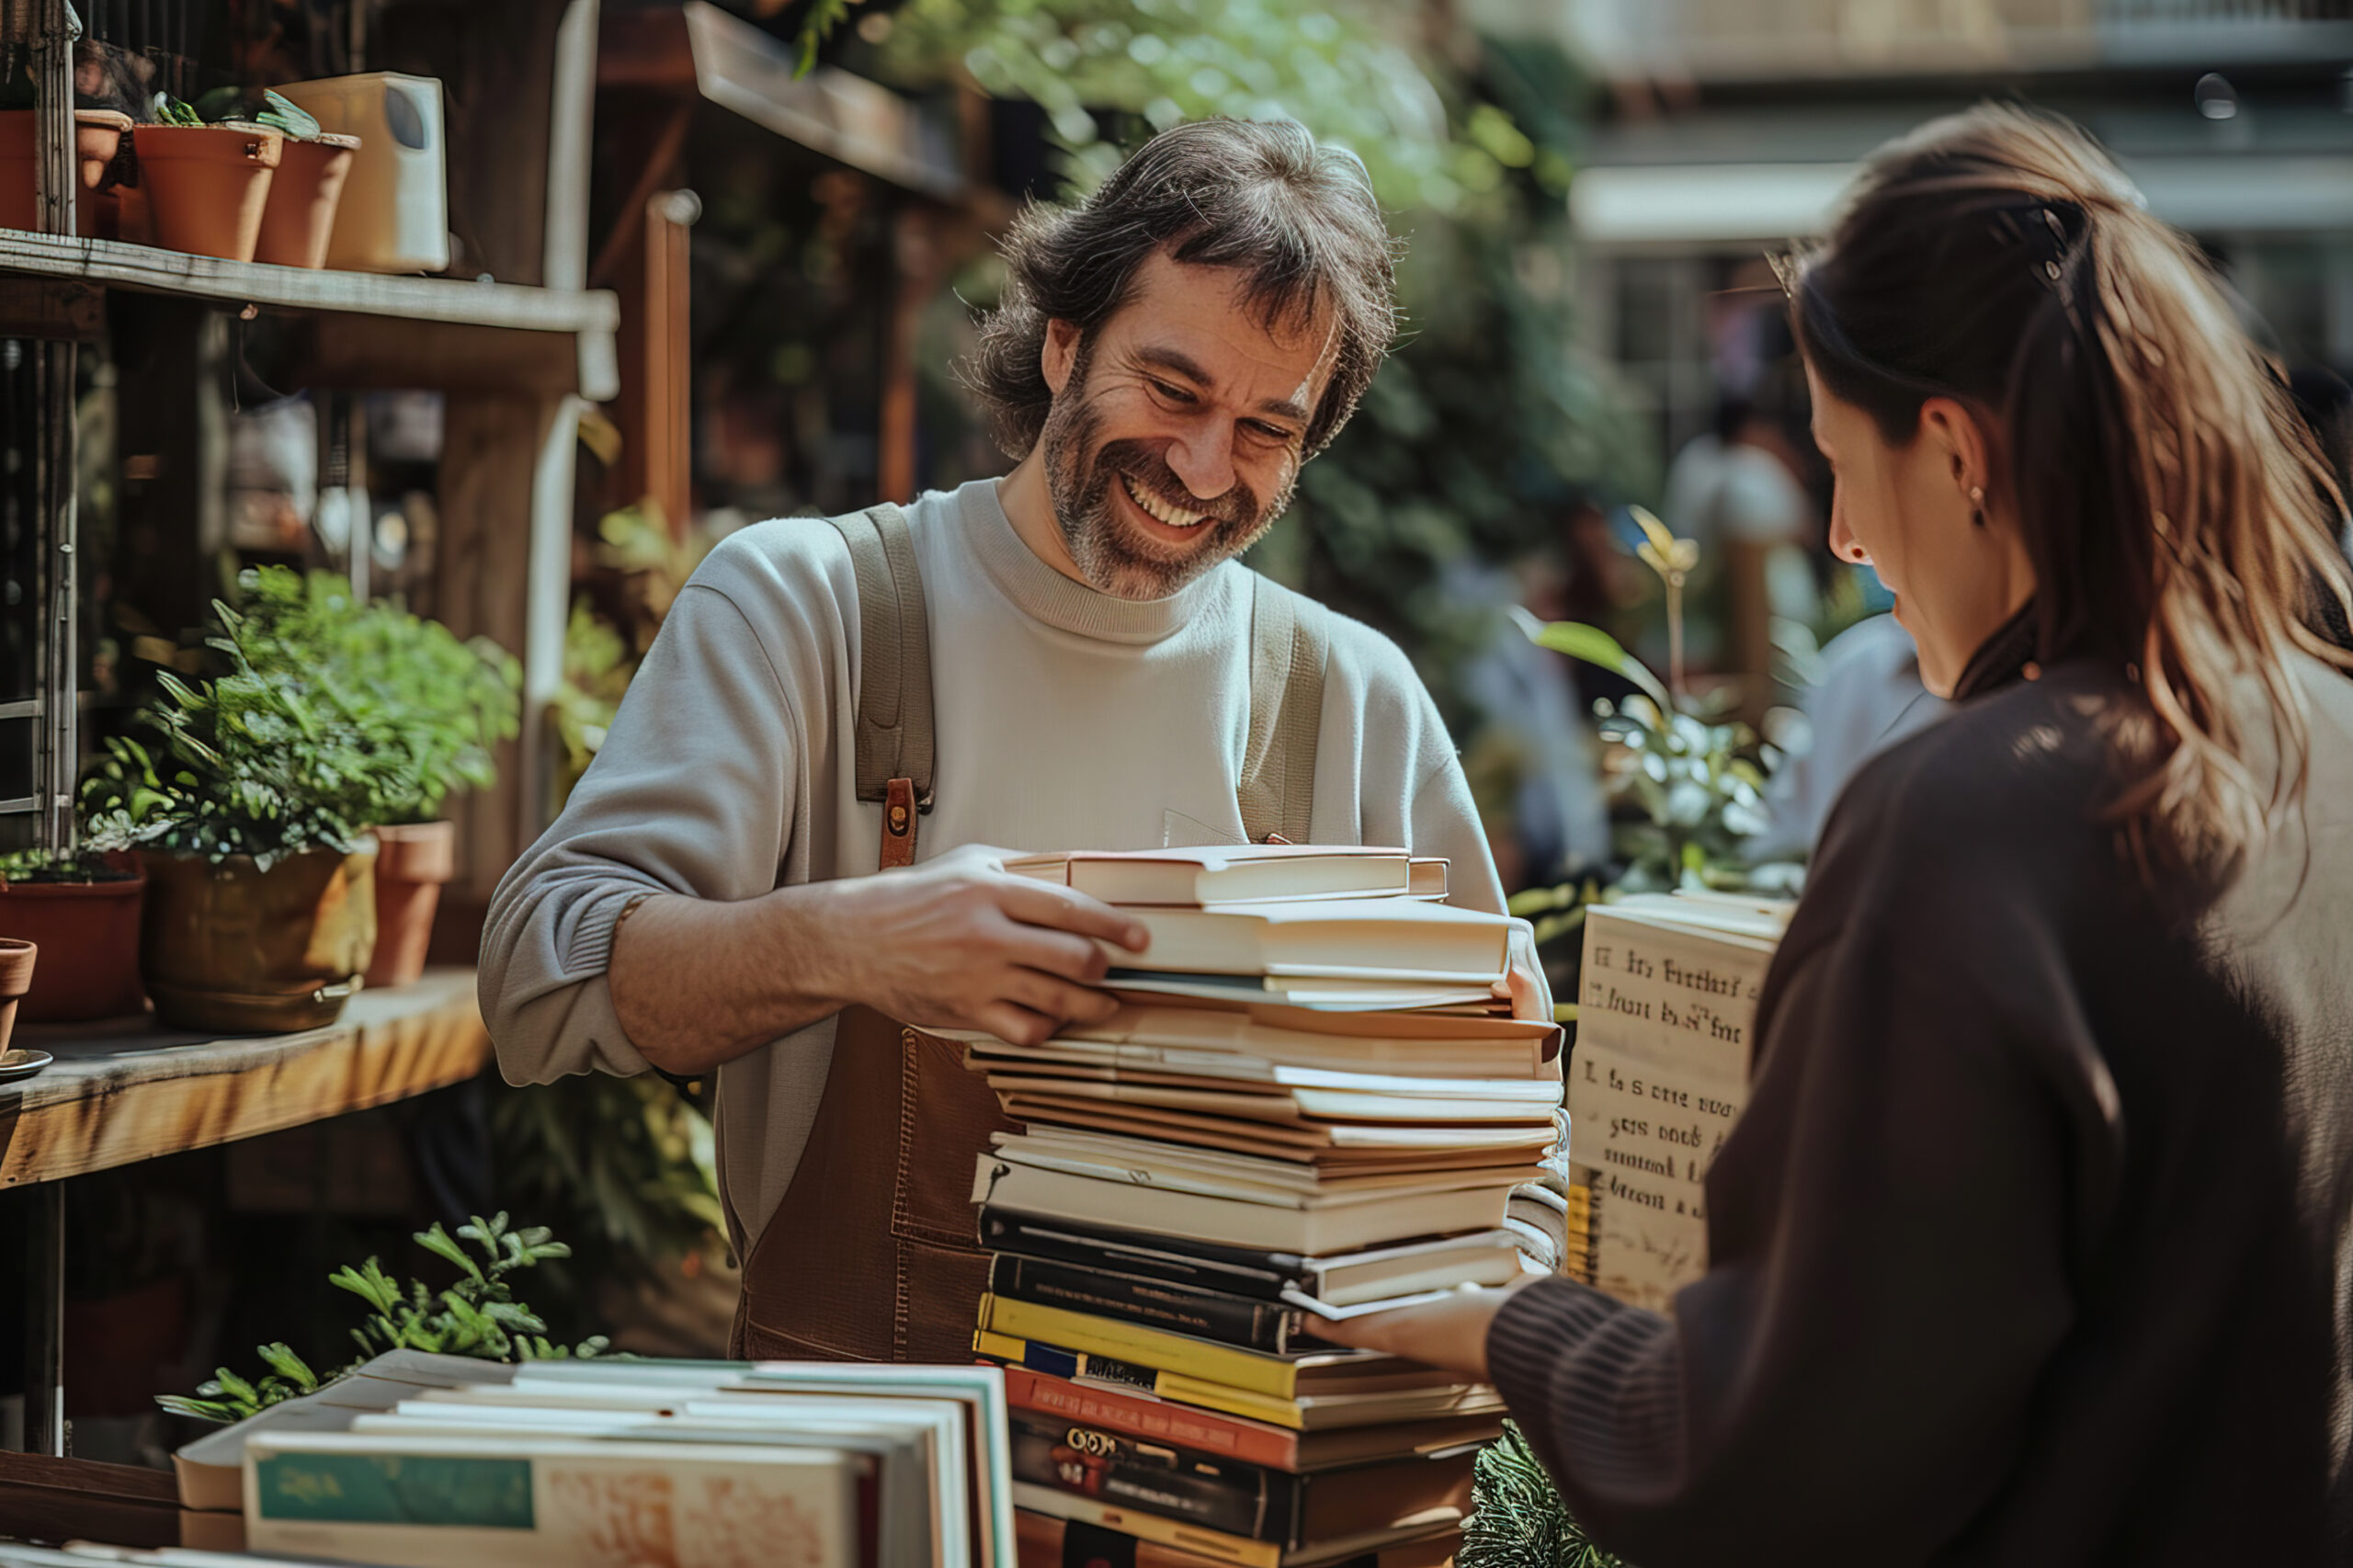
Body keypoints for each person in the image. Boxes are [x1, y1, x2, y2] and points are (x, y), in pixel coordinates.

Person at [1325, 104, 2353, 1562]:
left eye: (1838, 465)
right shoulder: (2325, 733)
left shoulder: (1975, 814)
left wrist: (1513, 1323)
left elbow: (1771, 1457)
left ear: (1953, 447)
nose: (1844, 541)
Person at [479, 119, 1545, 1366]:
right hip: (863, 1472)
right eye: (1174, 387)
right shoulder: (811, 609)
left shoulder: (1349, 700)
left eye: (1268, 429)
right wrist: (848, 938)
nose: (1204, 466)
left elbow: (1514, 1140)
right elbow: (537, 978)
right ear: (1063, 340)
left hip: (1220, 1509)